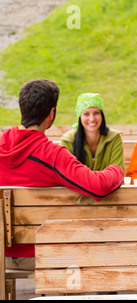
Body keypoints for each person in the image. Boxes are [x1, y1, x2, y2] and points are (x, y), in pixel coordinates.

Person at [0, 79, 124, 270]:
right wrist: (116, 170)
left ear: (22, 109)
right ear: (51, 114)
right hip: (38, 254)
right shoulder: (52, 155)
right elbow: (98, 187)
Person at [60, 93, 125, 172]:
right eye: (86, 114)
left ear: (102, 115)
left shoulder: (114, 138)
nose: (92, 119)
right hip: (102, 183)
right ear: (79, 117)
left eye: (96, 113)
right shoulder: (68, 141)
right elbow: (66, 174)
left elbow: (118, 173)